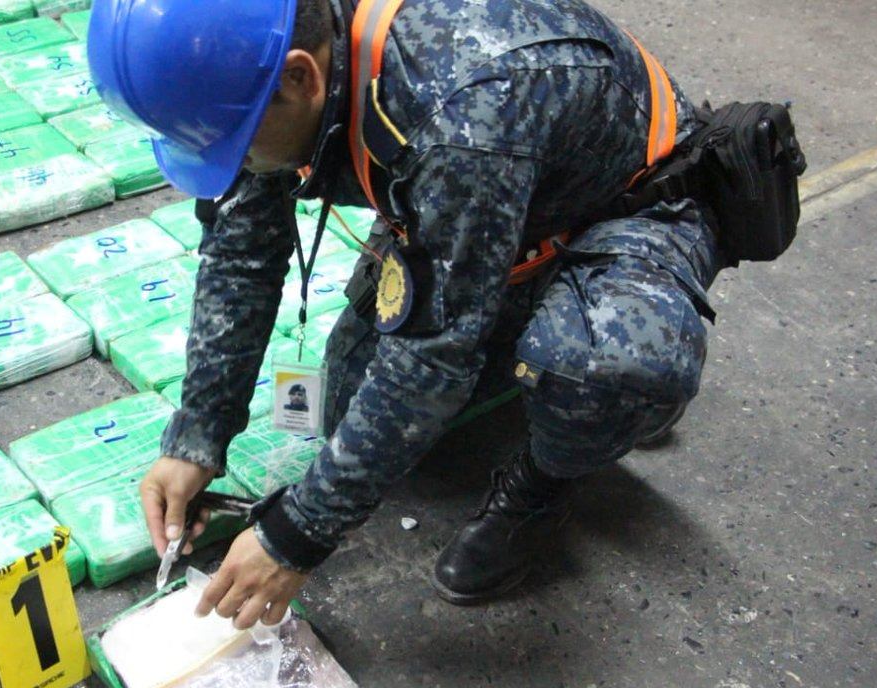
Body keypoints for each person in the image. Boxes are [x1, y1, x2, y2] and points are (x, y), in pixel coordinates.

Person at [91, 0, 730, 629]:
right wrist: (199, 434)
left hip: (630, 206)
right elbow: (242, 254)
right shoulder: (267, 53)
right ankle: (527, 331)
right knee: (347, 411)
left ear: (300, 78)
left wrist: (297, 535)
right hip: (500, 199)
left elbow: (431, 359)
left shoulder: (459, 114)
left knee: (592, 368)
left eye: (235, 146)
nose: (236, 165)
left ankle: (563, 459)